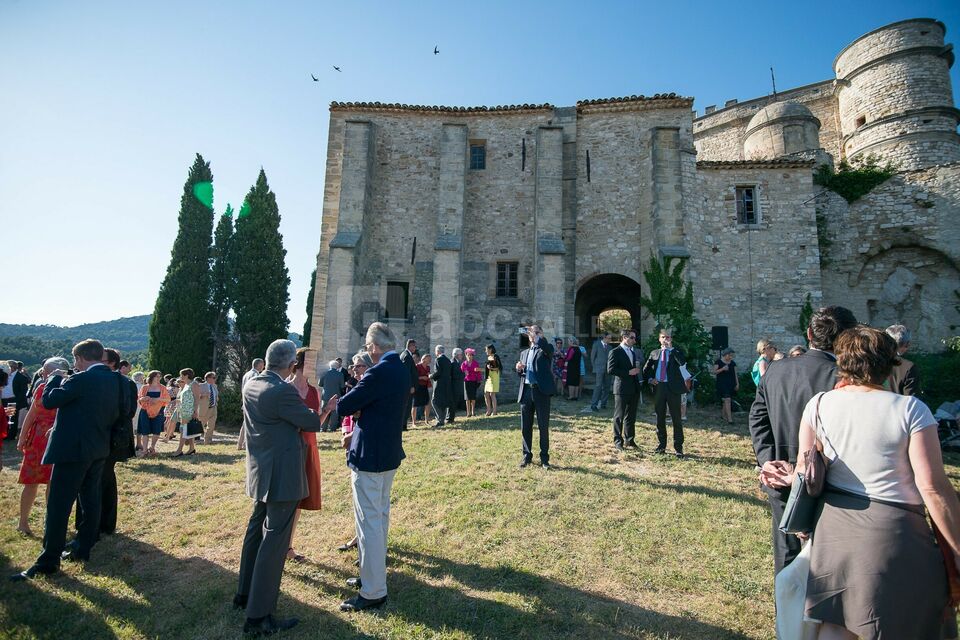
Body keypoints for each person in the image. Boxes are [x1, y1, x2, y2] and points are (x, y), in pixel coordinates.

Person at [791, 326, 960, 639]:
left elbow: (804, 470)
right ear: (889, 363)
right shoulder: (910, 410)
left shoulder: (818, 404)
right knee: (901, 623)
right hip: (892, 531)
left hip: (833, 527)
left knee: (836, 623)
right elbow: (933, 488)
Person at [748, 305, 857, 577]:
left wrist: (768, 461)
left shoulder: (775, 369)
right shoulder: (842, 377)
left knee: (787, 560)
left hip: (780, 473)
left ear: (809, 334)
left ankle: (787, 617)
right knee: (827, 564)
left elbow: (757, 420)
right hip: (827, 480)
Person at [234, 339, 334, 635]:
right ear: (291, 365)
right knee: (274, 542)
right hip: (283, 475)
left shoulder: (251, 384)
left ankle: (243, 594)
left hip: (260, 471)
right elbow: (310, 422)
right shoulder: (282, 391)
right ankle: (258, 615)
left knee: (255, 531)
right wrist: (327, 408)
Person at [10, 339, 121, 581]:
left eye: (75, 361)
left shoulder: (80, 379)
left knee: (58, 506)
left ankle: (49, 560)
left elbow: (49, 400)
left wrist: (54, 378)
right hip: (99, 448)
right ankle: (83, 548)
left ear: (80, 358)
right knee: (91, 500)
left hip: (72, 450)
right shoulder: (116, 380)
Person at [334, 322, 407, 612]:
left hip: (371, 456)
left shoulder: (378, 372)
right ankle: (370, 576)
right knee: (380, 517)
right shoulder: (401, 367)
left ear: (375, 347)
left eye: (367, 347)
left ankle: (374, 590)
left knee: (369, 524)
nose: (367, 352)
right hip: (388, 452)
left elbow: (345, 406)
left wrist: (342, 402)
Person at [81, 347, 136, 539]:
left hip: (111, 438)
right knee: (93, 480)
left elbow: (129, 412)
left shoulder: (125, 384)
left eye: (101, 361)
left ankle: (104, 523)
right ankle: (89, 523)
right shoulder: (90, 380)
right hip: (94, 438)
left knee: (103, 480)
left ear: (112, 363)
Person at [15, 357, 69, 537]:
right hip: (37, 439)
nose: (43, 373)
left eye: (47, 370)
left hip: (57, 438)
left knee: (53, 483)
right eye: (44, 370)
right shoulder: (40, 387)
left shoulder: (68, 388)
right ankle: (23, 522)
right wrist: (22, 437)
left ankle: (50, 522)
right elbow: (31, 415)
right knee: (30, 482)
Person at [285, 348, 323, 564]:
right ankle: (278, 544)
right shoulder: (285, 389)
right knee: (286, 499)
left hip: (309, 446)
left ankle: (288, 546)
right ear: (299, 363)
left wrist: (326, 410)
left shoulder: (314, 391)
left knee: (298, 500)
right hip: (289, 448)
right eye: (312, 361)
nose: (316, 365)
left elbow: (316, 423)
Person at [641, 329, 688, 457]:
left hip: (673, 388)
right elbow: (646, 369)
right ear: (659, 339)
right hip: (659, 387)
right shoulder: (654, 353)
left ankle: (678, 447)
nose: (666, 339)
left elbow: (682, 363)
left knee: (676, 418)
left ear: (671, 339)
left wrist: (671, 349)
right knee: (659, 417)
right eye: (663, 337)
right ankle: (661, 446)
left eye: (668, 337)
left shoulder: (676, 352)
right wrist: (650, 379)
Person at [515, 324, 556, 469]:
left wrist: (537, 337)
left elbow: (548, 350)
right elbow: (523, 373)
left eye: (537, 332)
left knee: (543, 426)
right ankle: (527, 456)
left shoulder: (546, 349)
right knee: (525, 426)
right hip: (526, 391)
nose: (533, 334)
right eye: (532, 332)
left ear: (541, 335)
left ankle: (544, 458)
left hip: (541, 392)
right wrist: (519, 369)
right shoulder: (524, 353)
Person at [608, 328, 641, 451]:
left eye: (634, 337)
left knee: (631, 416)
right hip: (621, 388)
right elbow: (610, 370)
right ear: (624, 337)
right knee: (619, 416)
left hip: (633, 388)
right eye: (632, 337)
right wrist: (628, 372)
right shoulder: (615, 352)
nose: (634, 340)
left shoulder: (632, 352)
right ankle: (618, 441)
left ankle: (630, 440)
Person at [137, 371, 169, 456]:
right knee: (145, 431)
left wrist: (158, 399)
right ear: (151, 377)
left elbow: (168, 400)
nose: (159, 378)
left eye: (160, 376)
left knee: (156, 431)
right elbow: (139, 399)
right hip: (145, 411)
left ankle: (152, 447)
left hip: (158, 411)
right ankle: (144, 450)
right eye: (157, 376)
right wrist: (144, 398)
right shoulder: (144, 387)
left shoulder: (163, 388)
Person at [885, 324, 921, 396]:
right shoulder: (909, 367)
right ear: (906, 344)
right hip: (898, 406)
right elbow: (910, 399)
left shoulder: (873, 361)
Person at [172, 369, 201, 457]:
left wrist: (195, 411)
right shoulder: (186, 385)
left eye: (181, 375)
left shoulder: (194, 384)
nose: (180, 377)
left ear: (186, 375)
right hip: (183, 411)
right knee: (188, 429)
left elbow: (197, 398)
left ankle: (179, 450)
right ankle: (191, 448)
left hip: (189, 411)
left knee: (184, 430)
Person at [238, 358, 265, 450]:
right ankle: (245, 444)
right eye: (263, 365)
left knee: (245, 423)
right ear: (260, 365)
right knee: (250, 424)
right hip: (252, 402)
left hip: (245, 401)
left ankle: (240, 443)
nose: (264, 367)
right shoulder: (255, 375)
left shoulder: (247, 374)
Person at [588, 332, 613, 413]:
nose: (610, 340)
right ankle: (594, 405)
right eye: (609, 338)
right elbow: (592, 357)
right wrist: (595, 368)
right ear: (604, 338)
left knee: (607, 386)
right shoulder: (596, 345)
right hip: (599, 369)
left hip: (608, 369)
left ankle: (603, 403)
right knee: (598, 386)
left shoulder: (610, 347)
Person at [430, 345, 453, 427]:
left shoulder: (438, 359)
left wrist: (431, 376)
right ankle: (441, 420)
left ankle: (440, 420)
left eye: (435, 351)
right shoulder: (447, 360)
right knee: (442, 402)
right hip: (447, 384)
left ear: (438, 351)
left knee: (434, 401)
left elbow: (438, 372)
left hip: (439, 384)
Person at [714, 348, 739, 424]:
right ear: (726, 354)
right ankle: (730, 419)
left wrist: (737, 383)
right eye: (730, 355)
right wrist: (722, 369)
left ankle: (723, 415)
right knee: (727, 400)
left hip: (731, 384)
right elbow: (715, 372)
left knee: (726, 400)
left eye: (732, 356)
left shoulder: (733, 363)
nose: (731, 357)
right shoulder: (718, 362)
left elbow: (735, 374)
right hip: (722, 384)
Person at [319, 360, 345, 432]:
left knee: (324, 411)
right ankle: (332, 428)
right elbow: (342, 386)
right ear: (337, 367)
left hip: (326, 396)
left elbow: (320, 384)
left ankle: (323, 428)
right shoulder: (340, 374)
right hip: (336, 396)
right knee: (334, 413)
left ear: (330, 366)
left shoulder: (324, 373)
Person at [399, 339, 419, 430]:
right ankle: (403, 426)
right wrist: (411, 386)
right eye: (414, 346)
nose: (415, 348)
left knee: (406, 406)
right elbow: (406, 373)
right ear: (410, 346)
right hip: (407, 387)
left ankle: (403, 425)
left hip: (405, 386)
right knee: (406, 406)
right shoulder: (407, 356)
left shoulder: (405, 354)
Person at [197, 372, 219, 445]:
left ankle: (208, 441)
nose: (214, 379)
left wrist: (216, 399)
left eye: (215, 377)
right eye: (213, 377)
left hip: (213, 407)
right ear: (208, 378)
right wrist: (204, 395)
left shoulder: (215, 386)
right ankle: (192, 439)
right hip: (204, 408)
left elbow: (216, 395)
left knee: (211, 425)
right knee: (201, 425)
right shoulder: (201, 385)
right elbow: (196, 396)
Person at [461, 348, 483, 417]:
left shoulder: (475, 363)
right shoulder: (464, 363)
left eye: (471, 355)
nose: (470, 356)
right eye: (468, 355)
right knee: (467, 398)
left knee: (473, 397)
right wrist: (464, 371)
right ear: (466, 355)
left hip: (474, 381)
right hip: (467, 381)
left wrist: (479, 379)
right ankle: (468, 412)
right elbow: (462, 369)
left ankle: (473, 411)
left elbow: (479, 372)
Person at [413, 354, 433, 426]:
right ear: (424, 359)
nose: (430, 360)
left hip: (425, 387)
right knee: (415, 405)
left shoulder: (428, 367)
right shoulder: (417, 366)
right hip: (418, 387)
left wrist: (429, 375)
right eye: (429, 359)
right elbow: (414, 377)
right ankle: (413, 423)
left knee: (427, 404)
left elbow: (428, 374)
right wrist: (422, 378)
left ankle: (426, 421)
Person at [483, 344, 502, 417]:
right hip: (489, 378)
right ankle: (488, 410)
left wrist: (490, 368)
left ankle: (494, 411)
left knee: (492, 394)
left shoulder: (495, 356)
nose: (485, 351)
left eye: (486, 350)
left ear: (490, 349)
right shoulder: (489, 357)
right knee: (486, 394)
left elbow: (498, 368)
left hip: (494, 377)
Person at [449, 348, 466, 423]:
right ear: (457, 355)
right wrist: (464, 374)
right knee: (452, 403)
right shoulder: (453, 363)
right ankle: (450, 419)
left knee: (454, 402)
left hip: (456, 386)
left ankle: (451, 418)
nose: (462, 356)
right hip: (453, 386)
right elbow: (454, 375)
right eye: (461, 354)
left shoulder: (457, 362)